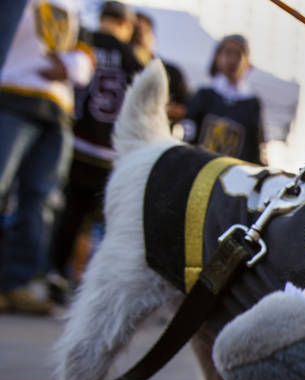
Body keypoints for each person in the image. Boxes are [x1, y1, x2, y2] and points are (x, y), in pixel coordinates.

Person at [0, 0, 93, 314]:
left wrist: (70, 66)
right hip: (10, 97)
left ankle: (17, 283)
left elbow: (86, 52)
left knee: (41, 200)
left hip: (57, 111)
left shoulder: (77, 6)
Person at [47, 0, 141, 296]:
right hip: (109, 154)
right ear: (126, 25)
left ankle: (54, 274)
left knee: (68, 216)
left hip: (74, 143)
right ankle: (95, 288)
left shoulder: (81, 41)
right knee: (110, 227)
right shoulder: (130, 56)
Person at [182, 34, 265, 165]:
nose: (232, 60)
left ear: (248, 63)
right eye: (227, 53)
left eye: (238, 54)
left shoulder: (252, 103)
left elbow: (255, 148)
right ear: (216, 58)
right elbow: (187, 134)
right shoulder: (204, 95)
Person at [131, 11, 189, 125]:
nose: (138, 37)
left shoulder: (171, 72)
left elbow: (184, 110)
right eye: (134, 32)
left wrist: (156, 107)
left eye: (143, 32)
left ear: (153, 36)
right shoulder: (118, 69)